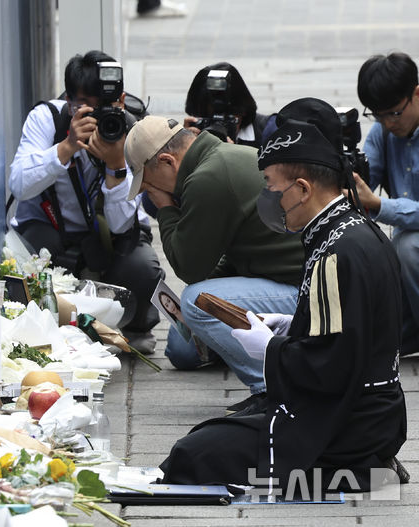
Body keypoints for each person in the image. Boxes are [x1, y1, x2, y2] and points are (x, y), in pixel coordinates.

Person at [159, 97, 407, 496]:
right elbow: (352, 334)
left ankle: (363, 470)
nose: (269, 199)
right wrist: (294, 326)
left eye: (273, 187)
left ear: (303, 188)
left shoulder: (335, 251)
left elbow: (329, 369)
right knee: (211, 438)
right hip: (374, 416)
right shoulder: (354, 229)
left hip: (348, 424)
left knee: (193, 455)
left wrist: (271, 348)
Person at [124, 116, 304, 414]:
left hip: (303, 293)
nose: (151, 195)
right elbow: (228, 257)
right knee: (182, 345)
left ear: (168, 162)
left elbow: (188, 267)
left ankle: (270, 389)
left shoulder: (207, 177)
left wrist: (166, 208)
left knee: (195, 302)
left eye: (150, 186)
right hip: (289, 280)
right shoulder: (219, 158)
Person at [8, 50, 164, 353]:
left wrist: (116, 165)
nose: (95, 115)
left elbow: (122, 226)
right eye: (83, 105)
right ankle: (49, 326)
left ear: (119, 101)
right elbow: (19, 185)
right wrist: (65, 148)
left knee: (141, 267)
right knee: (30, 261)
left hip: (114, 237)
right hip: (53, 229)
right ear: (68, 99)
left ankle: (132, 324)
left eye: (103, 106)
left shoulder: (131, 129)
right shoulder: (48, 119)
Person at [355, 51, 419, 357]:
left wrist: (379, 205)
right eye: (377, 115)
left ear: (416, 94)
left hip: (410, 248)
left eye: (394, 113)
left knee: (408, 246)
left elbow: (377, 202)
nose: (386, 123)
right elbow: (367, 175)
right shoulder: (383, 129)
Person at [184, 62, 275, 148]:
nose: (219, 127)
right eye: (210, 120)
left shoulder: (270, 132)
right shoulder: (194, 139)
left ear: (242, 110)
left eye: (227, 120)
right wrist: (185, 148)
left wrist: (232, 154)